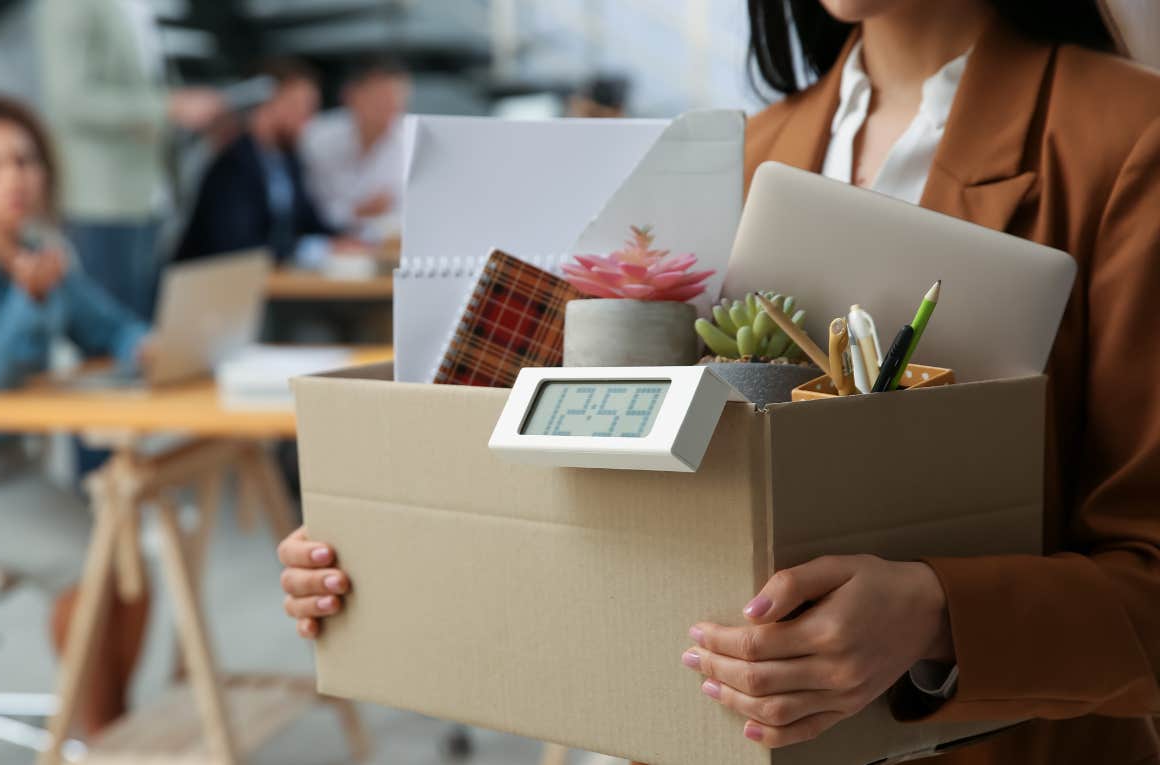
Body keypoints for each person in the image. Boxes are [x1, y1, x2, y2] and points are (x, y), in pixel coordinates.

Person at [275, 1, 1160, 763]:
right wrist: (389, 542)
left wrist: (938, 618)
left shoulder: (1124, 139)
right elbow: (633, 492)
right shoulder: (743, 154)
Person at [0, 96, 153, 734]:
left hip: (9, 470)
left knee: (130, 562)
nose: (14, 177)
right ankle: (101, 737)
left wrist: (144, 345)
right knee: (89, 568)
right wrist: (26, 297)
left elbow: (109, 326)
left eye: (25, 160)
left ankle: (113, 730)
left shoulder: (44, 256)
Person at [38, 0, 226, 321]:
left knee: (145, 333)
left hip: (149, 194)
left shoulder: (137, 7)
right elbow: (71, 101)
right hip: (103, 199)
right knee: (115, 337)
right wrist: (169, 107)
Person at [173, 59, 334, 267]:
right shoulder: (232, 161)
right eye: (301, 107)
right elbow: (237, 245)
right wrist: (306, 249)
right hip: (215, 285)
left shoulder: (288, 158)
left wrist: (342, 240)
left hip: (269, 281)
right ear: (269, 104)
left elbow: (308, 221)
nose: (308, 119)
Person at [300, 56, 412, 241]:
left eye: (397, 99)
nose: (390, 107)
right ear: (351, 95)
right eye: (380, 98)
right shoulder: (317, 139)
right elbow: (311, 209)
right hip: (328, 247)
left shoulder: (410, 144)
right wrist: (357, 212)